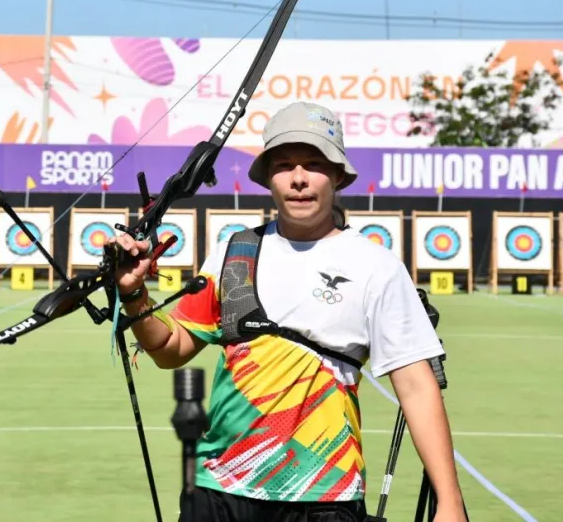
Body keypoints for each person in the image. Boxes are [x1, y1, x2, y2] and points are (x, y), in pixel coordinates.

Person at [110, 101, 466, 522]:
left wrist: (450, 502)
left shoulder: (377, 267)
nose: (299, 179)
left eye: (314, 164)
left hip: (323, 494)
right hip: (218, 489)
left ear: (337, 175)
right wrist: (134, 297)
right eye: (284, 165)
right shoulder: (234, 253)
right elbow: (171, 348)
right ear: (269, 179)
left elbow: (416, 387)